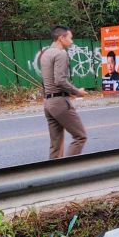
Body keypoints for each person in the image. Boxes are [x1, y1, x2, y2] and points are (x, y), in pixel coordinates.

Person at [40, 25, 87, 159]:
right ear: (61, 38)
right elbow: (60, 81)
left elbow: (47, 80)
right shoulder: (61, 54)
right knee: (80, 137)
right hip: (60, 102)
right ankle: (68, 172)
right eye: (70, 38)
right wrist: (77, 92)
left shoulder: (46, 53)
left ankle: (54, 177)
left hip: (48, 103)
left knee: (56, 146)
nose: (72, 41)